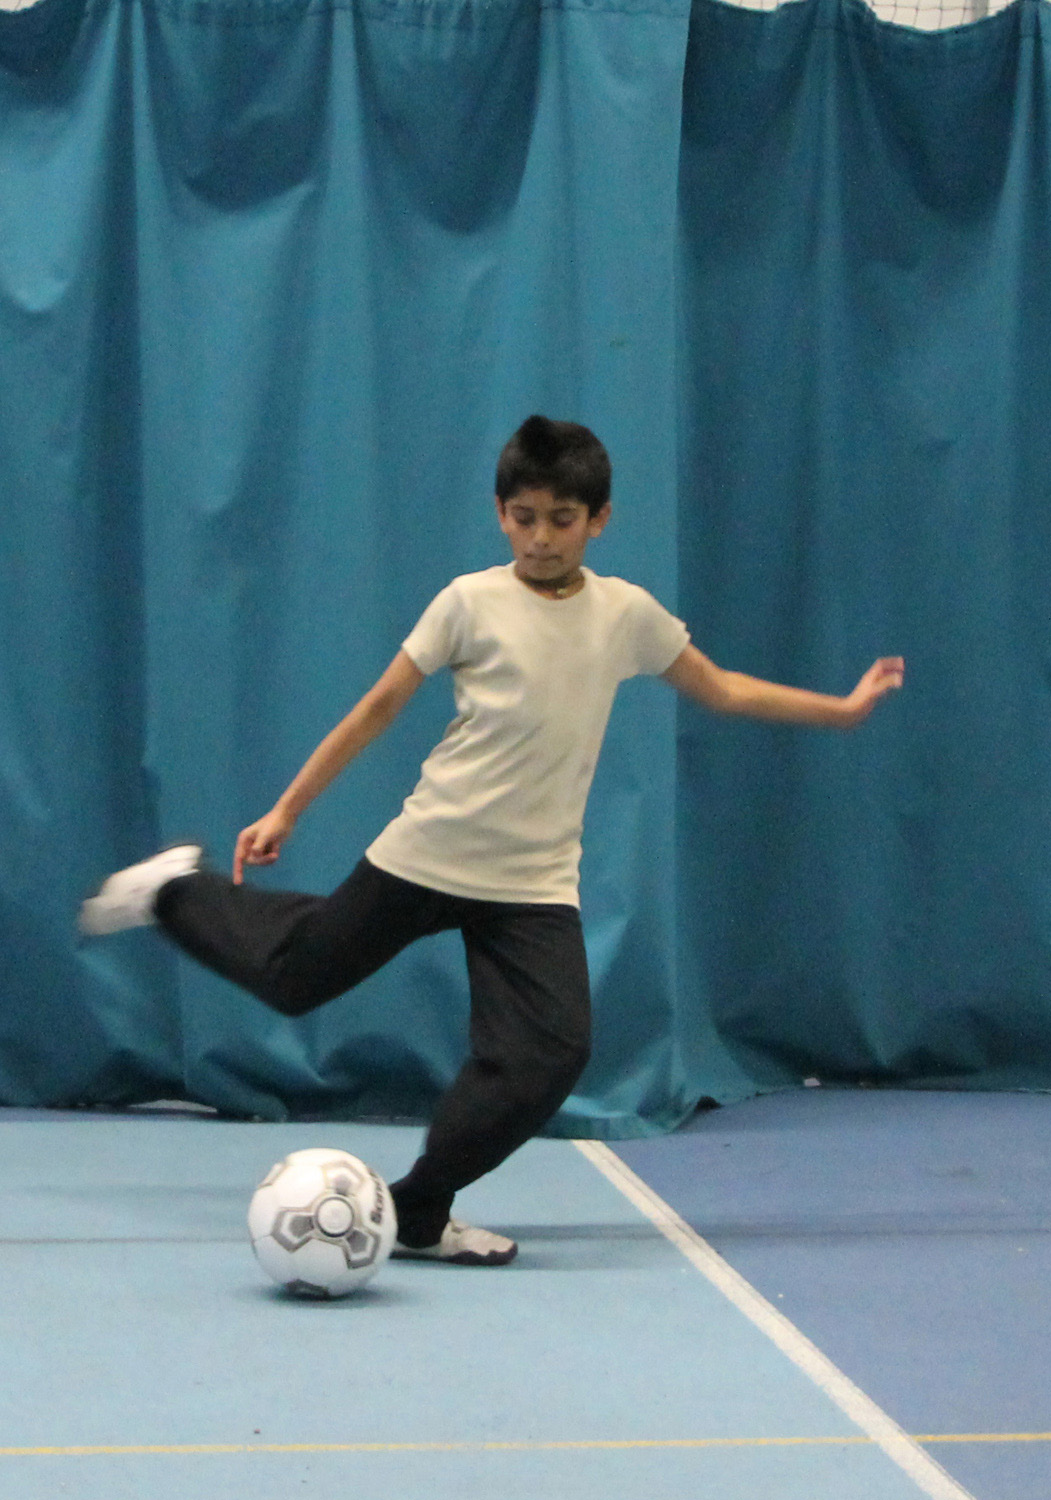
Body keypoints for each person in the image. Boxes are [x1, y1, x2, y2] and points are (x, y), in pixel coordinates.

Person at [80, 415, 904, 1267]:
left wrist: (839, 710)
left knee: (550, 1051)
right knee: (295, 978)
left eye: (561, 518)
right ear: (499, 514)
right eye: (522, 516)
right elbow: (377, 709)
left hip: (531, 883)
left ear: (599, 519)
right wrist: (289, 808)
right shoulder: (468, 602)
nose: (540, 537)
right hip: (428, 852)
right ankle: (175, 889)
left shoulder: (627, 615)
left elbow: (722, 689)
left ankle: (418, 1212)